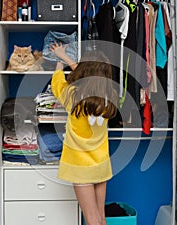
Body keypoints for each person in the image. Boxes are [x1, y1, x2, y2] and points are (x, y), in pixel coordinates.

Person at [50, 42, 118, 225]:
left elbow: (57, 83)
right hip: (101, 165)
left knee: (91, 219)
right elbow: (91, 76)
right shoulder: (108, 97)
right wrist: (66, 57)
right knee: (100, 218)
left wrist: (59, 60)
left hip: (80, 168)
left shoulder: (72, 95)